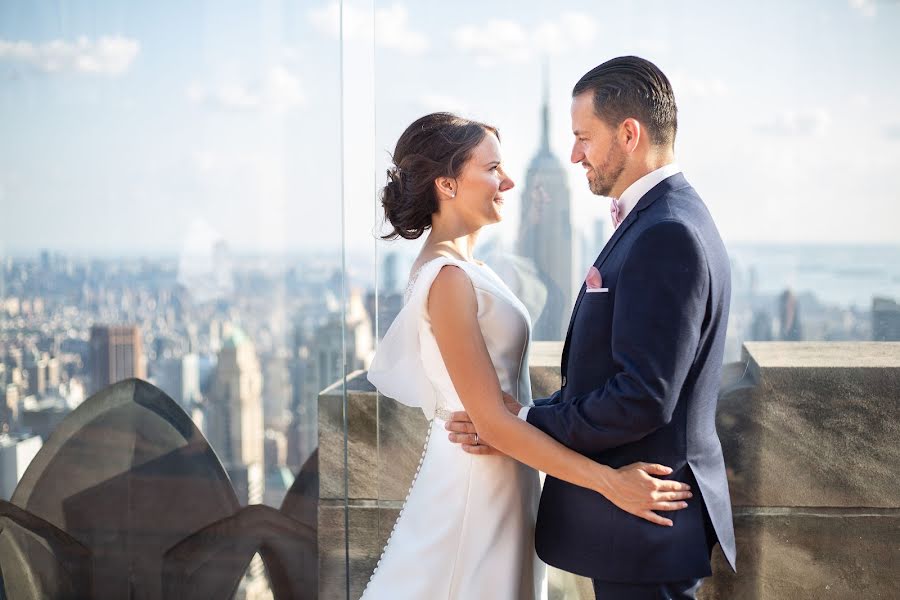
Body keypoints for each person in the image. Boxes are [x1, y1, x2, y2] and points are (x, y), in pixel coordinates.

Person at [362, 111, 692, 599]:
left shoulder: (465, 267)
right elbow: (491, 423)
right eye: (493, 168)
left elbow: (503, 409)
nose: (508, 181)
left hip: (502, 476)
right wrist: (610, 482)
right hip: (476, 485)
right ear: (447, 184)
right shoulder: (448, 279)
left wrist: (528, 413)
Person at [447, 56, 738, 599]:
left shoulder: (665, 231)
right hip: (641, 529)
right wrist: (528, 417)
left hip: (644, 526)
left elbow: (640, 398)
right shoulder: (666, 215)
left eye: (584, 137)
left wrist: (527, 422)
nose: (576, 153)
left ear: (629, 134)